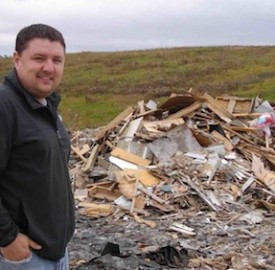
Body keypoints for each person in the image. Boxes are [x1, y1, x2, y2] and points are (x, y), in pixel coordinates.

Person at [0, 24, 75, 269]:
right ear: (17, 60)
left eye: (57, 60)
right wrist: (7, 238)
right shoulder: (5, 106)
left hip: (55, 250)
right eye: (39, 58)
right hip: (23, 258)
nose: (49, 68)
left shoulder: (46, 105)